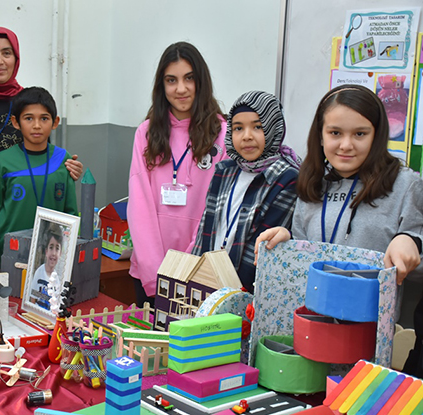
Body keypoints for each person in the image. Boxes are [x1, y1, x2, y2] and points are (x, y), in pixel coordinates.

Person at [253, 85, 423, 373]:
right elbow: (306, 256)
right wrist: (288, 242)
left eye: (360, 134)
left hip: (368, 339)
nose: (346, 145)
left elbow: (415, 254)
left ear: (377, 135)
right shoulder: (313, 182)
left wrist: (410, 241)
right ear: (320, 135)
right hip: (312, 332)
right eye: (335, 133)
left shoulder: (405, 184)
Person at [0, 27, 82, 274]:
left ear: (16, 58)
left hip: (18, 200)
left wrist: (70, 167)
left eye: (6, 53)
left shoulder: (29, 102)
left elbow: (46, 155)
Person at [127, 41, 227, 307]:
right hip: (150, 272)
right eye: (171, 80)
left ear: (201, 81)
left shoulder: (223, 134)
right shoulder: (146, 133)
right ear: (162, 86)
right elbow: (139, 205)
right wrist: (155, 273)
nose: (181, 89)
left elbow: (217, 208)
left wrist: (188, 267)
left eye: (189, 78)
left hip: (200, 271)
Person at [192, 91, 300, 291]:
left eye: (257, 127)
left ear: (273, 128)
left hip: (247, 289)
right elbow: (205, 230)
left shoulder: (287, 178)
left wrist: (233, 293)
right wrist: (196, 279)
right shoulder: (224, 170)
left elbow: (261, 249)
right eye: (238, 128)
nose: (247, 136)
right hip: (208, 283)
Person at [0, 86, 78, 272]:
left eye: (44, 118)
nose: (37, 125)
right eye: (29, 118)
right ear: (16, 122)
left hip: (52, 259)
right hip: (9, 254)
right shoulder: (3, 161)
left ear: (55, 122)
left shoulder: (64, 160)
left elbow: (70, 213)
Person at [30, 229, 63, 309]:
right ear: (46, 251)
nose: (54, 253)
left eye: (57, 249)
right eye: (51, 248)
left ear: (60, 254)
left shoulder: (57, 279)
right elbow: (32, 298)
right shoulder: (39, 272)